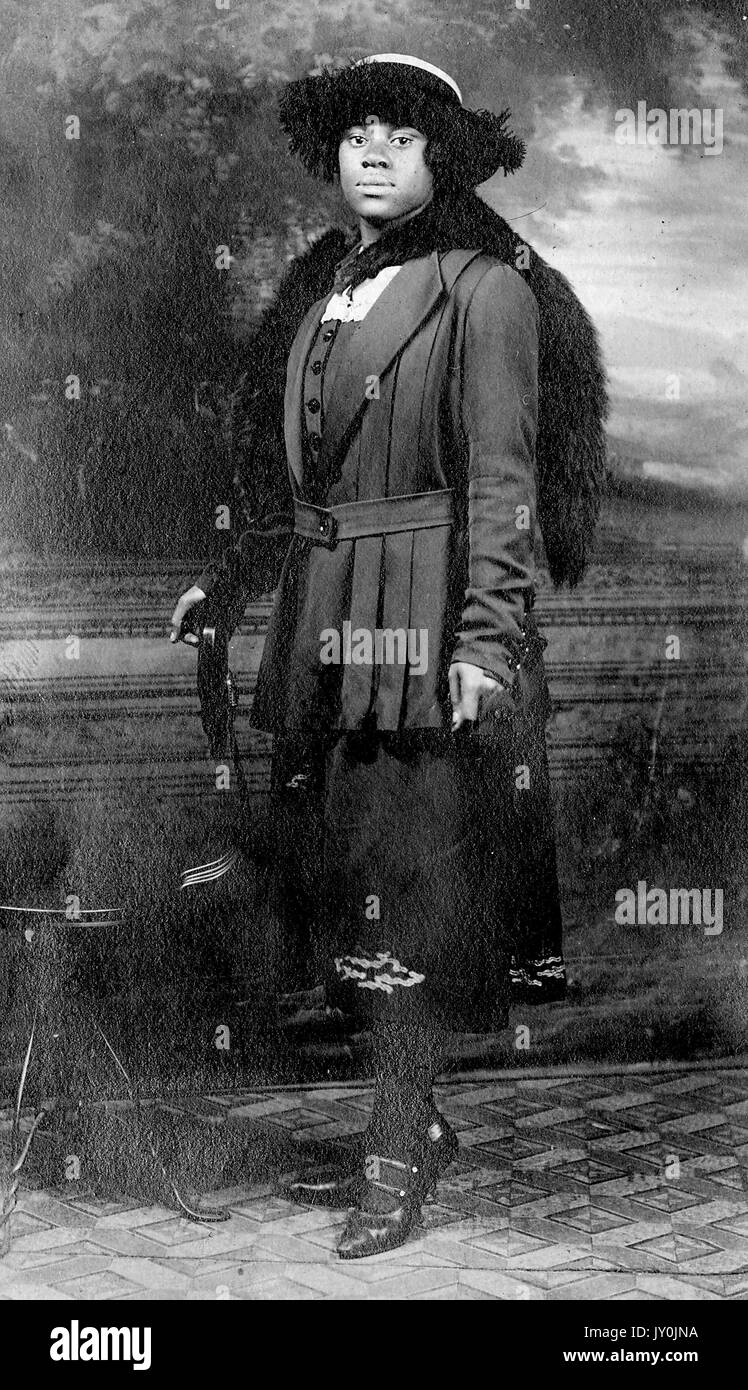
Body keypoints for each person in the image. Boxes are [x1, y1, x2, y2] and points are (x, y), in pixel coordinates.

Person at [170, 53, 607, 1258]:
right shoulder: (321, 296)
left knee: (406, 898)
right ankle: (413, 1123)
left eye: (400, 139)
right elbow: (291, 482)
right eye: (356, 133)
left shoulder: (484, 293)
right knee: (331, 882)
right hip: (326, 621)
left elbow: (506, 488)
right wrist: (231, 579)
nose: (372, 151)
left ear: (439, 160)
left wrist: (483, 643)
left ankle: (395, 1152)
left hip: (424, 625)